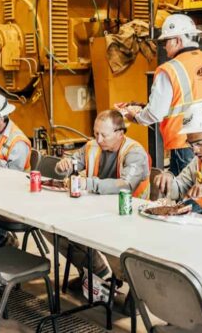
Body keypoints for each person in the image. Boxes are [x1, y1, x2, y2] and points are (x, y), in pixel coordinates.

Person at [51, 110, 151, 281]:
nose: (98, 140)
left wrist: (88, 184)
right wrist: (63, 167)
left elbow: (126, 184)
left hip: (129, 215)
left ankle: (132, 290)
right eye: (96, 133)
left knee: (111, 242)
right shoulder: (91, 146)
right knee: (55, 229)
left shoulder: (135, 152)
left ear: (120, 133)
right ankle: (97, 273)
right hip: (96, 211)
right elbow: (74, 163)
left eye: (104, 135)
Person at [119, 14, 202, 175]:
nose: (164, 46)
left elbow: (155, 113)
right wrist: (145, 106)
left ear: (177, 40)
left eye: (166, 41)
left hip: (186, 144)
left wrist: (135, 116)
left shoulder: (169, 70)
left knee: (185, 192)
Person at [154, 102, 202, 214]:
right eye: (191, 144)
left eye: (200, 143)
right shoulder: (200, 163)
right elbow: (180, 188)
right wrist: (168, 181)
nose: (195, 150)